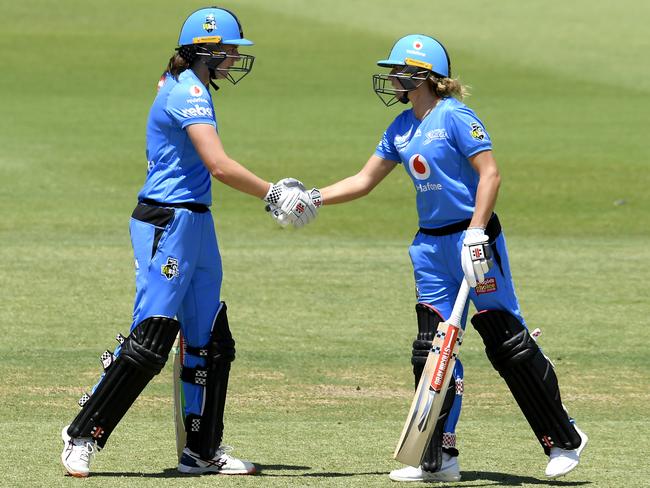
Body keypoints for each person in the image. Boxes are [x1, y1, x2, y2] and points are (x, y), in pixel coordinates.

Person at [276, 34, 588, 482]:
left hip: (473, 239)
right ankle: (439, 457)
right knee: (430, 349)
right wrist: (312, 198)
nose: (391, 79)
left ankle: (564, 437)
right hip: (429, 247)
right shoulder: (400, 127)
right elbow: (364, 180)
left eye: (398, 72)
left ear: (422, 77)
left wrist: (477, 231)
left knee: (506, 343)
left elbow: (490, 174)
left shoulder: (456, 116)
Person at [60, 6, 317, 478]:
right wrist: (274, 193)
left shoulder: (190, 86)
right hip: (167, 222)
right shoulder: (187, 93)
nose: (237, 57)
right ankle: (82, 434)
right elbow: (218, 164)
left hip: (198, 222)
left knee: (210, 341)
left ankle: (202, 451)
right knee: (153, 336)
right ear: (207, 51)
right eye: (231, 50)